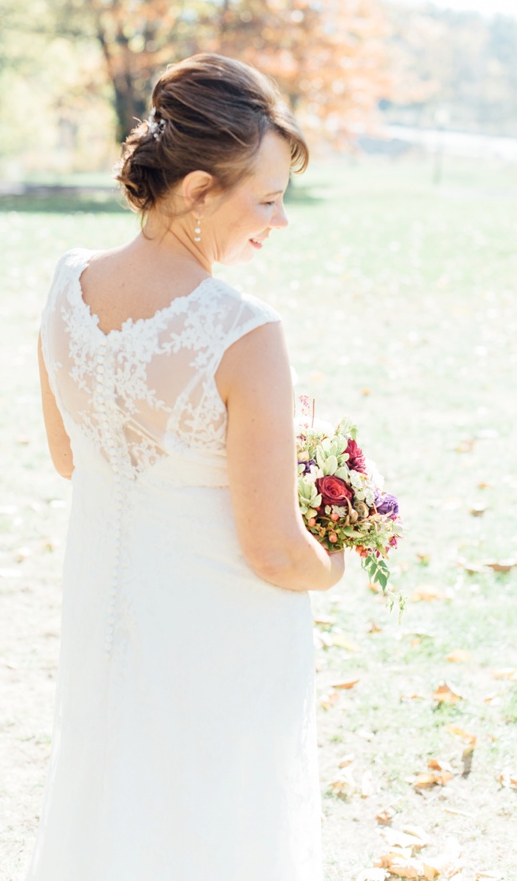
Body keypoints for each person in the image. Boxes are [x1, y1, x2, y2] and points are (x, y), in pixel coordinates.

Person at [29, 52, 344, 878]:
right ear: (201, 190)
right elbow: (275, 552)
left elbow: (71, 457)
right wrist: (338, 558)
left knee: (112, 813)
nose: (279, 222)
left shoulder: (66, 287)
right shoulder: (246, 333)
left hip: (105, 620)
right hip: (218, 640)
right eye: (268, 200)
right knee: (217, 824)